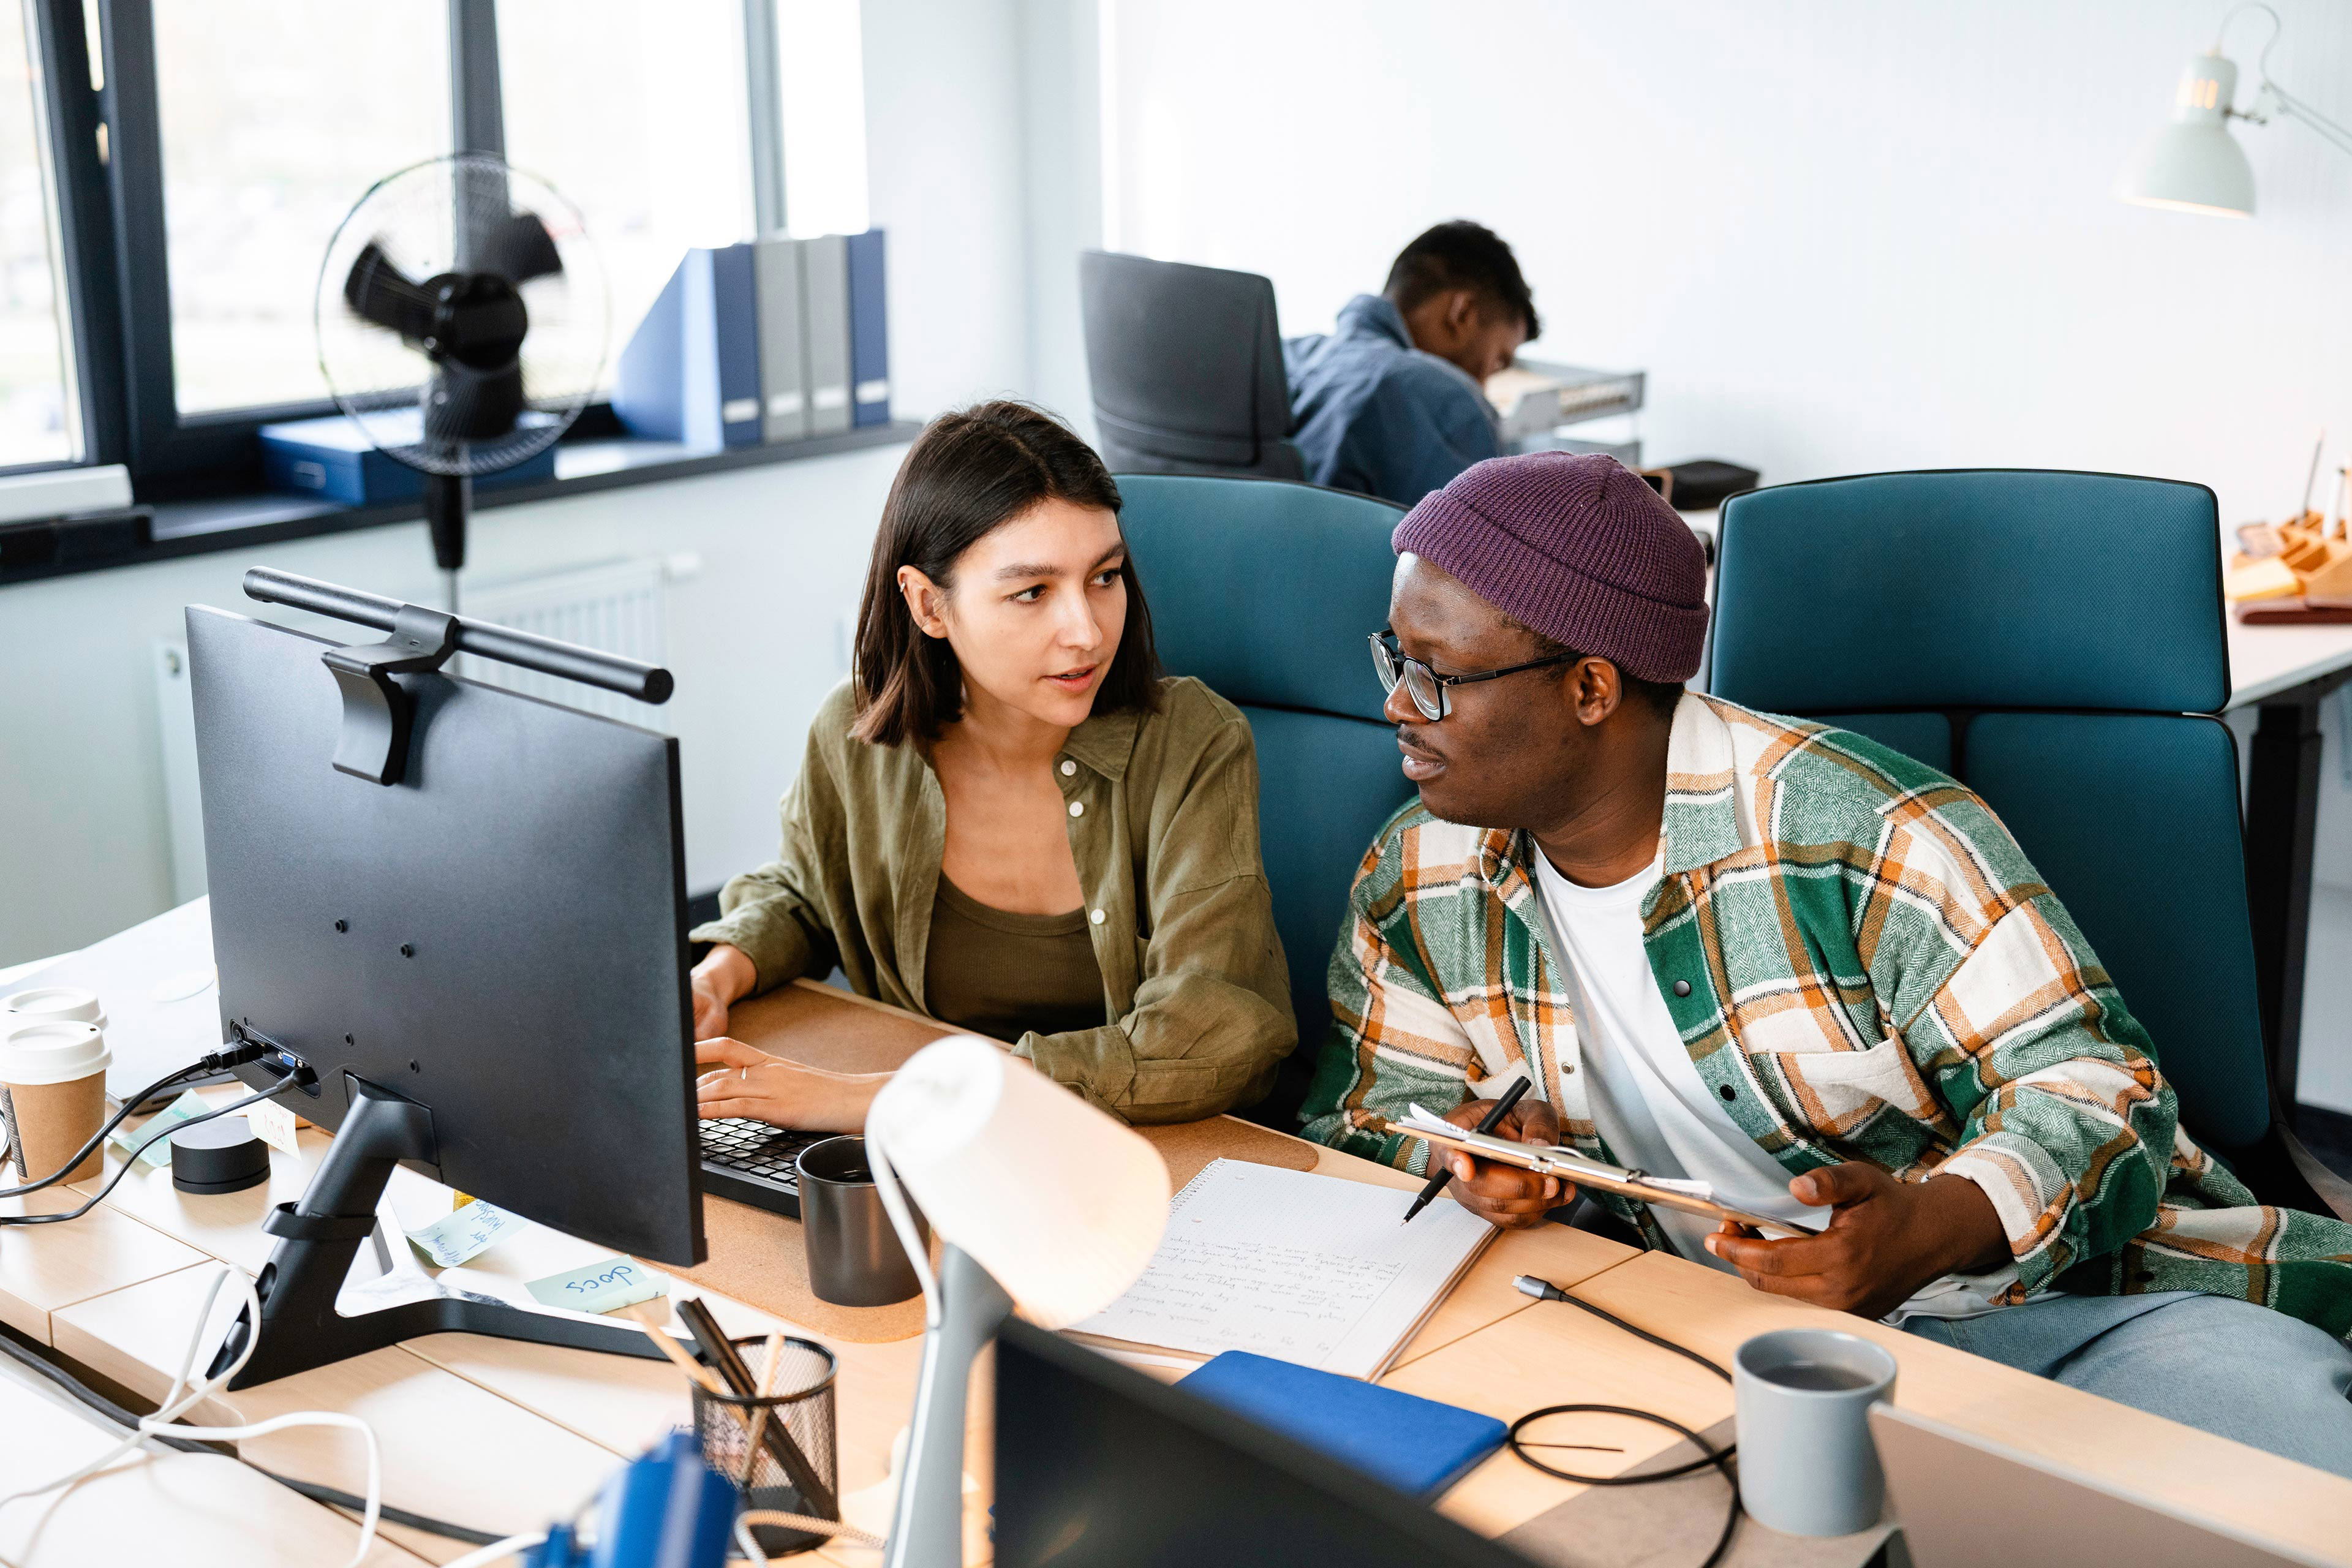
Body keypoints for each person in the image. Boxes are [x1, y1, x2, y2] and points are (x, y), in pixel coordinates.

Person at [1298, 450, 2352, 1475]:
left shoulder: (1862, 831)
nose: (1396, 704)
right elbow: (1365, 1117)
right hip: (1683, 1326)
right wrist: (1465, 1160)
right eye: (1394, 660)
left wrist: (1933, 1227)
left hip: (2044, 1313)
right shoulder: (1420, 869)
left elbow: (2097, 1094)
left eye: (1435, 676)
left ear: (1589, 689)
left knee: (2288, 1492)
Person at [689, 401, 1294, 1131]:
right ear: (927, 604)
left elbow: (1212, 1025)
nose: (1086, 629)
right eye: (1032, 592)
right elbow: (812, 894)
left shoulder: (1194, 742)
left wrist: (888, 1100)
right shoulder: (857, 734)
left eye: (1104, 576)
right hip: (943, 1162)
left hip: (1138, 1152)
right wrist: (720, 971)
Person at [1283, 220, 1538, 508]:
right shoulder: (1445, 398)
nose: (1485, 382)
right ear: (1462, 313)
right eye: (1497, 361)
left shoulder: (1280, 355)